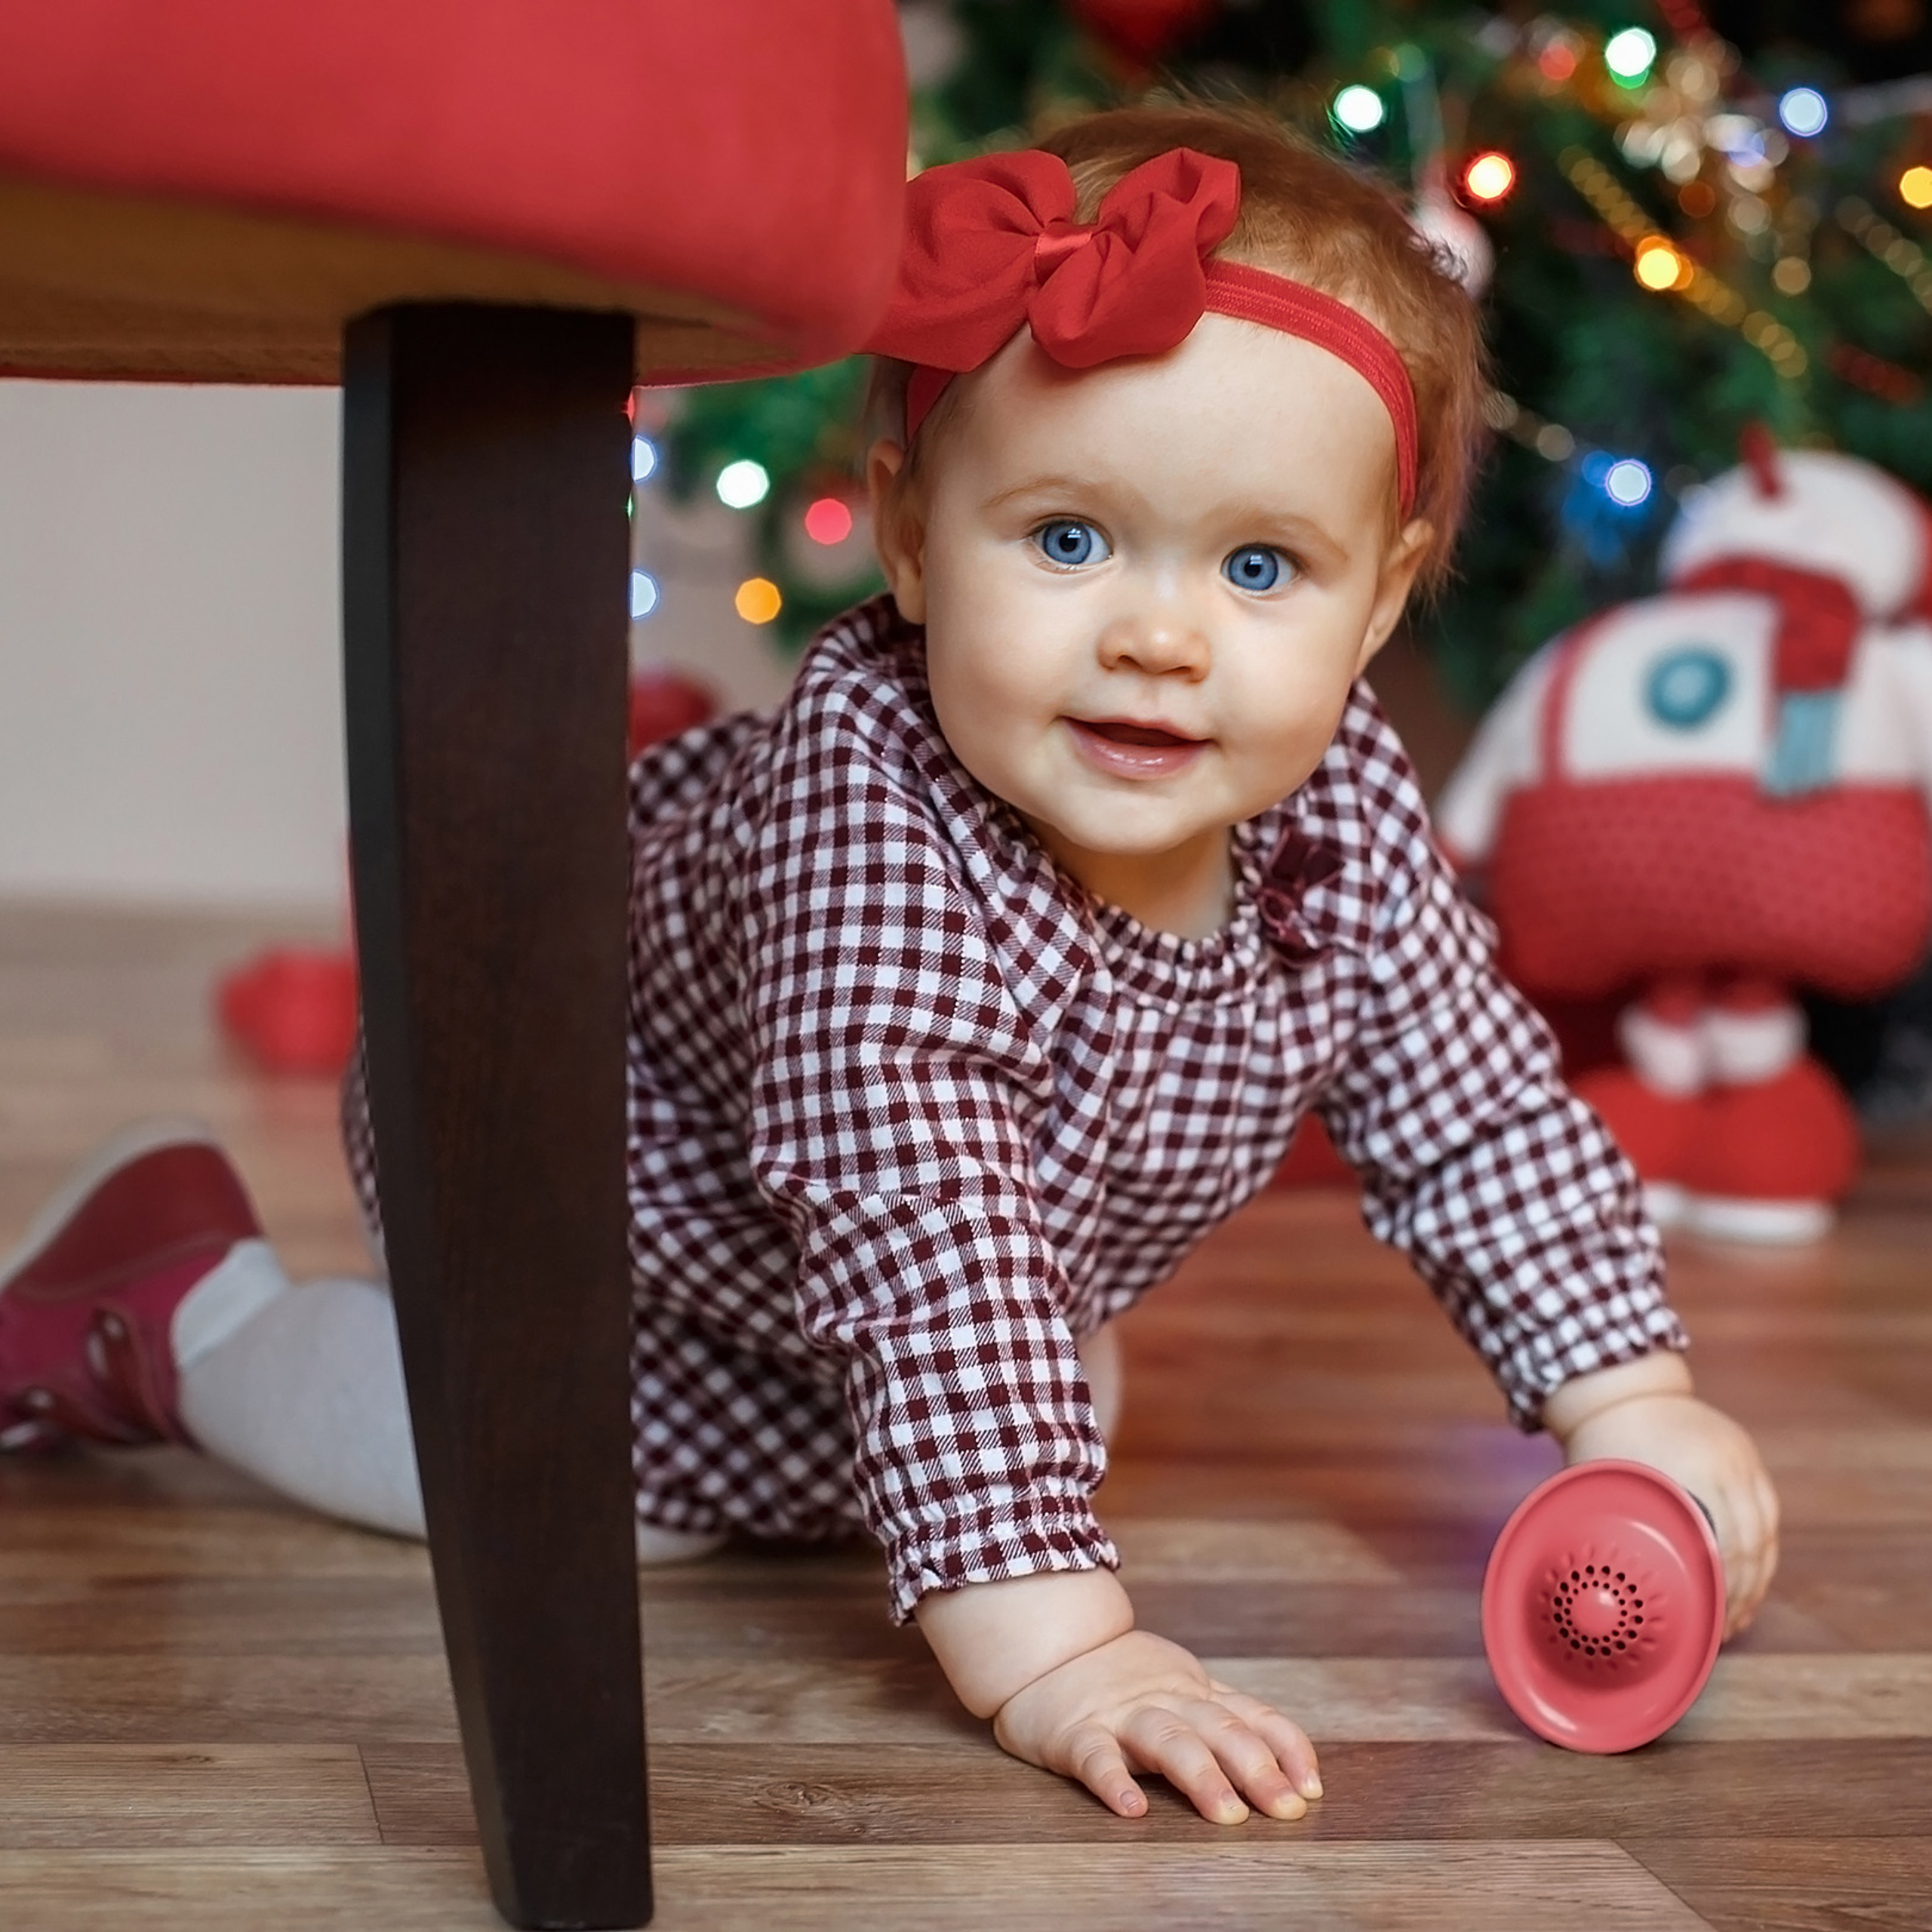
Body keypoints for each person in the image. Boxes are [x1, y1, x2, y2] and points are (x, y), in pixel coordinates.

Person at [0, 102, 1780, 1826]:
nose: (1158, 636)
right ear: (914, 532)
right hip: (576, 1194)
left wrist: (1623, 1384)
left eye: (1257, 565)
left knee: (1020, 1410)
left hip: (879, 1264)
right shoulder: (874, 821)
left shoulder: (1337, 807)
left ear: (1377, 601)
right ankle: (181, 1315)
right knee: (547, 1478)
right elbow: (922, 1229)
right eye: (1068, 539)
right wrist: (1057, 1644)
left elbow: (1467, 1105)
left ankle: (939, 1474)